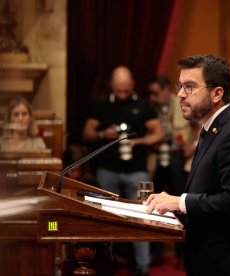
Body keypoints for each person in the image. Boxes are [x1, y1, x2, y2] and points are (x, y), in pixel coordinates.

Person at [145, 55, 230, 276]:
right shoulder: (212, 129)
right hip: (212, 257)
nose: (180, 94)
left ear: (217, 94)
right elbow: (207, 191)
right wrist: (170, 212)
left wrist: (180, 202)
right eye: (180, 86)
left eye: (190, 87)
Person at [82, 65, 164, 275]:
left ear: (132, 86)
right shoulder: (100, 106)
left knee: (143, 218)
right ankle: (106, 264)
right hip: (107, 170)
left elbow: (159, 134)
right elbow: (87, 133)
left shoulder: (143, 106)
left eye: (126, 90)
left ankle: (142, 267)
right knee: (105, 218)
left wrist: (140, 141)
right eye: (119, 90)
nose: (122, 94)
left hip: (136, 171)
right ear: (112, 85)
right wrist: (102, 135)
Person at [147, 75, 197, 269]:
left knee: (180, 204)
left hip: (178, 159)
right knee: (154, 203)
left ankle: (181, 254)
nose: (152, 97)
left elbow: (199, 126)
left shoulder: (182, 103)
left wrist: (193, 145)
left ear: (166, 91)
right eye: (150, 93)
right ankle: (156, 252)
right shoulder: (151, 108)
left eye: (155, 93)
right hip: (159, 158)